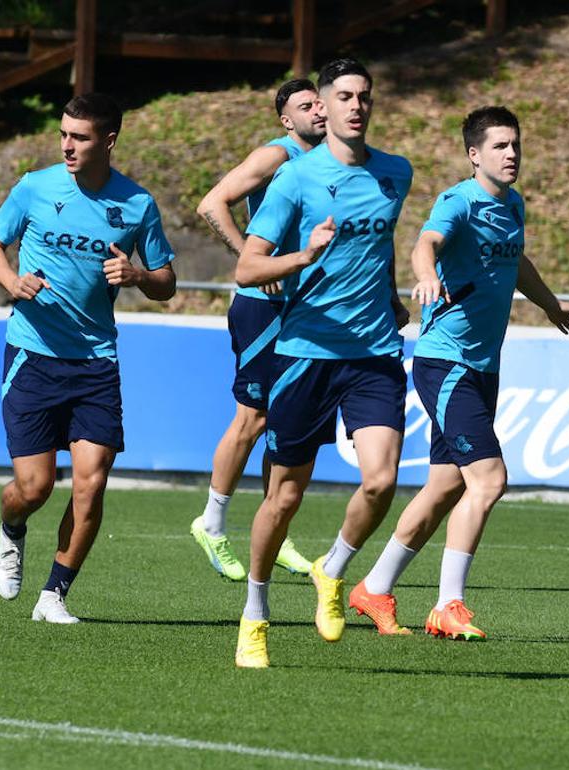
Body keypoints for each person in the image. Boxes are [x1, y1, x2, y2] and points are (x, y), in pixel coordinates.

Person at [350, 106, 569, 641]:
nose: (512, 154)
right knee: (489, 479)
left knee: (443, 486)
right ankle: (448, 604)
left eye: (516, 145)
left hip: (482, 365)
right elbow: (426, 244)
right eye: (500, 146)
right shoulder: (458, 201)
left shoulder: (513, 204)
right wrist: (426, 276)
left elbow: (516, 261)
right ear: (474, 155)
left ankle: (374, 588)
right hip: (447, 362)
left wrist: (550, 306)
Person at [231, 58, 412, 668]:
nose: (356, 106)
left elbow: (381, 242)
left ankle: (331, 569)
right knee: (284, 498)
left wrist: (389, 295)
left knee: (381, 481)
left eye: (364, 96)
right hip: (305, 354)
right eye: (344, 97)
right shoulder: (295, 178)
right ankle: (255, 614)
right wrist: (303, 257)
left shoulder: (396, 172)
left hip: (375, 352)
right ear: (324, 106)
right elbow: (248, 268)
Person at [0, 93, 177, 623]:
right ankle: (12, 528)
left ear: (108, 141)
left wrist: (138, 276)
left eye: (80, 137)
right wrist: (11, 281)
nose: (67, 145)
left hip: (96, 361)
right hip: (33, 354)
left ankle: (54, 595)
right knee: (34, 487)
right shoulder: (35, 187)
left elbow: (166, 282)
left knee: (91, 481)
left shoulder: (137, 204)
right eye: (64, 134)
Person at [189, 79, 326, 581]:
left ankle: (276, 532)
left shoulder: (332, 163)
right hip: (262, 307)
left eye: (319, 102)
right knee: (253, 417)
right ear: (287, 120)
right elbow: (211, 204)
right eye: (306, 106)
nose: (318, 110)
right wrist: (253, 258)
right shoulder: (277, 155)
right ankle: (212, 522)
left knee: (286, 419)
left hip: (304, 308)